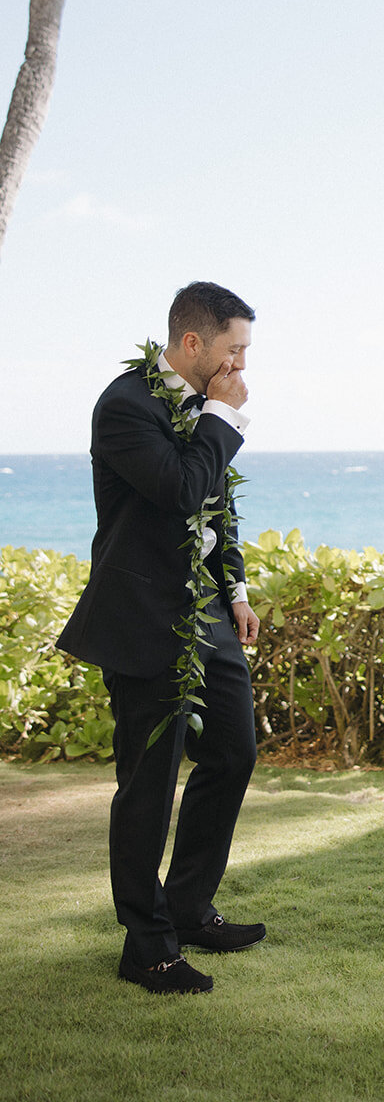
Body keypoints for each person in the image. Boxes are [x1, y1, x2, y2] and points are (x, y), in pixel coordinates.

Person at [58, 281, 264, 995]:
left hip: (204, 612)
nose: (242, 364)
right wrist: (221, 419)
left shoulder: (200, 407)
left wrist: (232, 589)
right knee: (147, 787)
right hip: (142, 616)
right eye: (234, 349)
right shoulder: (125, 406)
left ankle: (185, 908)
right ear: (192, 345)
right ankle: (144, 946)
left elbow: (213, 506)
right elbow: (180, 489)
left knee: (233, 754)